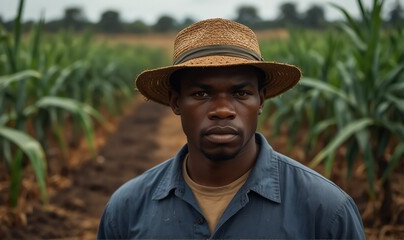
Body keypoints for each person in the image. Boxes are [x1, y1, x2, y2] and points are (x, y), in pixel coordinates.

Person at [97, 18, 365, 239]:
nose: (222, 109)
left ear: (261, 100)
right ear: (176, 102)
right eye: (202, 94)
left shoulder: (326, 211)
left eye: (241, 93)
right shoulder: (127, 210)